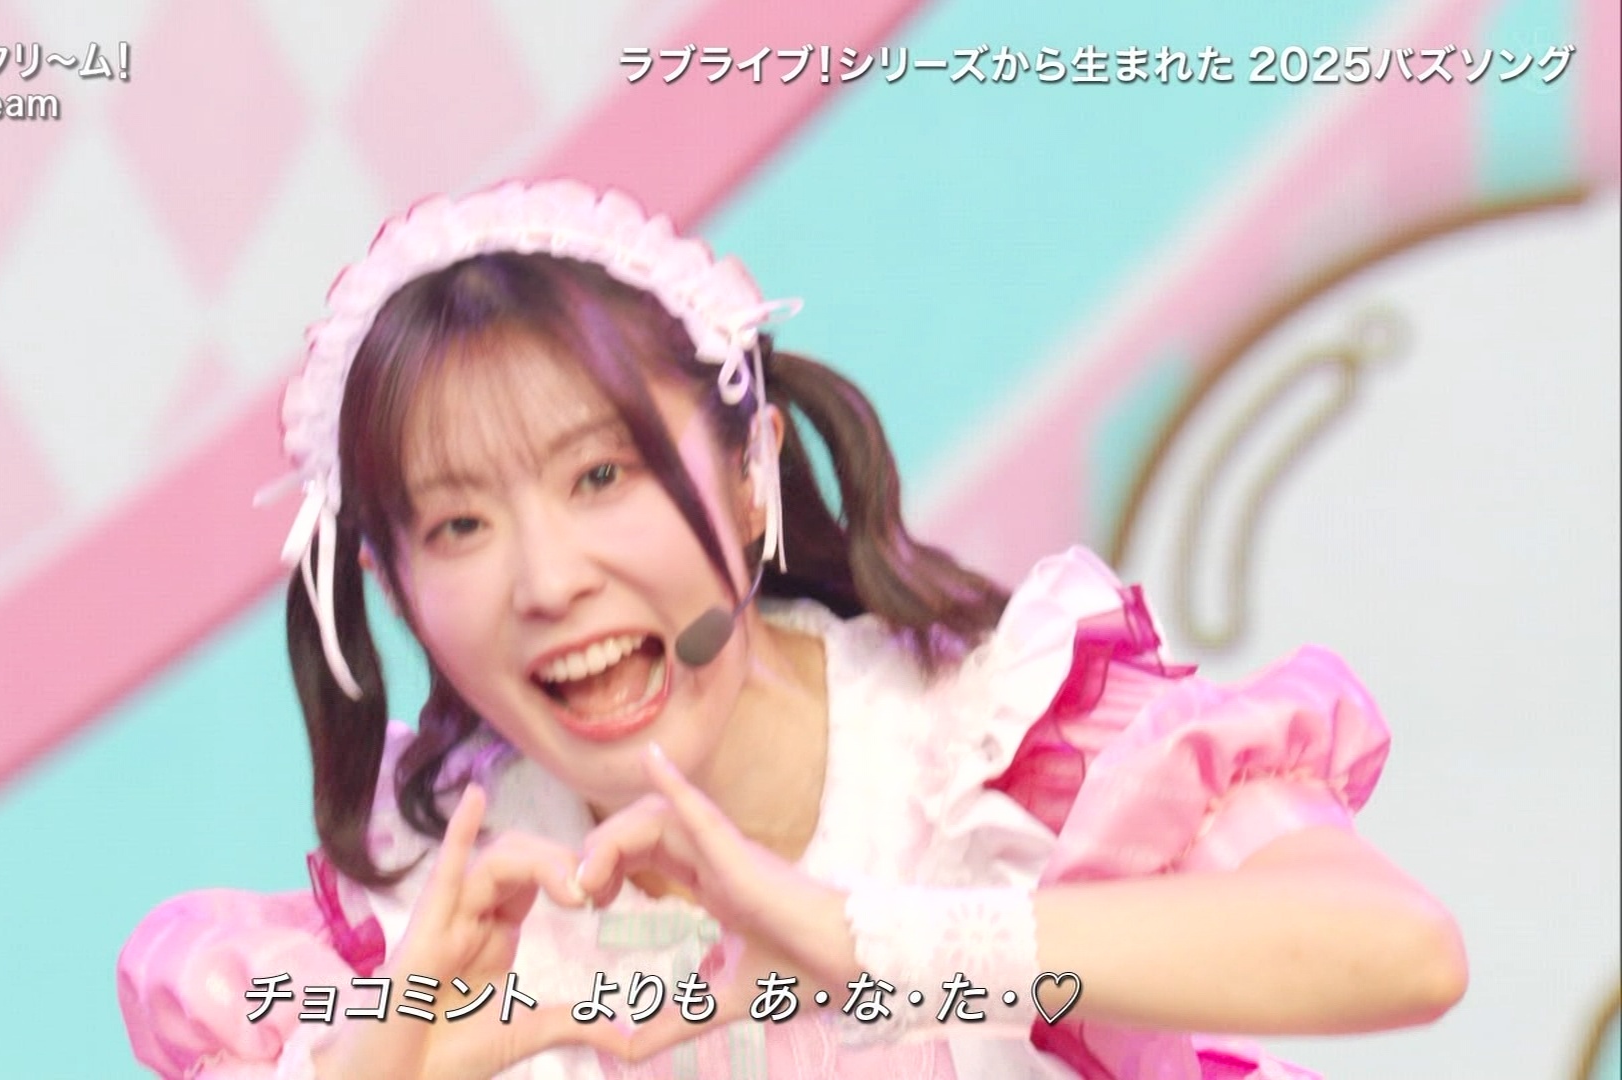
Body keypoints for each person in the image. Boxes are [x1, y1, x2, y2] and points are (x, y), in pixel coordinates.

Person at [116, 179, 1467, 1079]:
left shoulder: (989, 742)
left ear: (753, 468)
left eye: (601, 475)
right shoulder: (432, 908)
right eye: (460, 524)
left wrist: (864, 944)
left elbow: (1395, 949)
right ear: (393, 582)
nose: (548, 580)